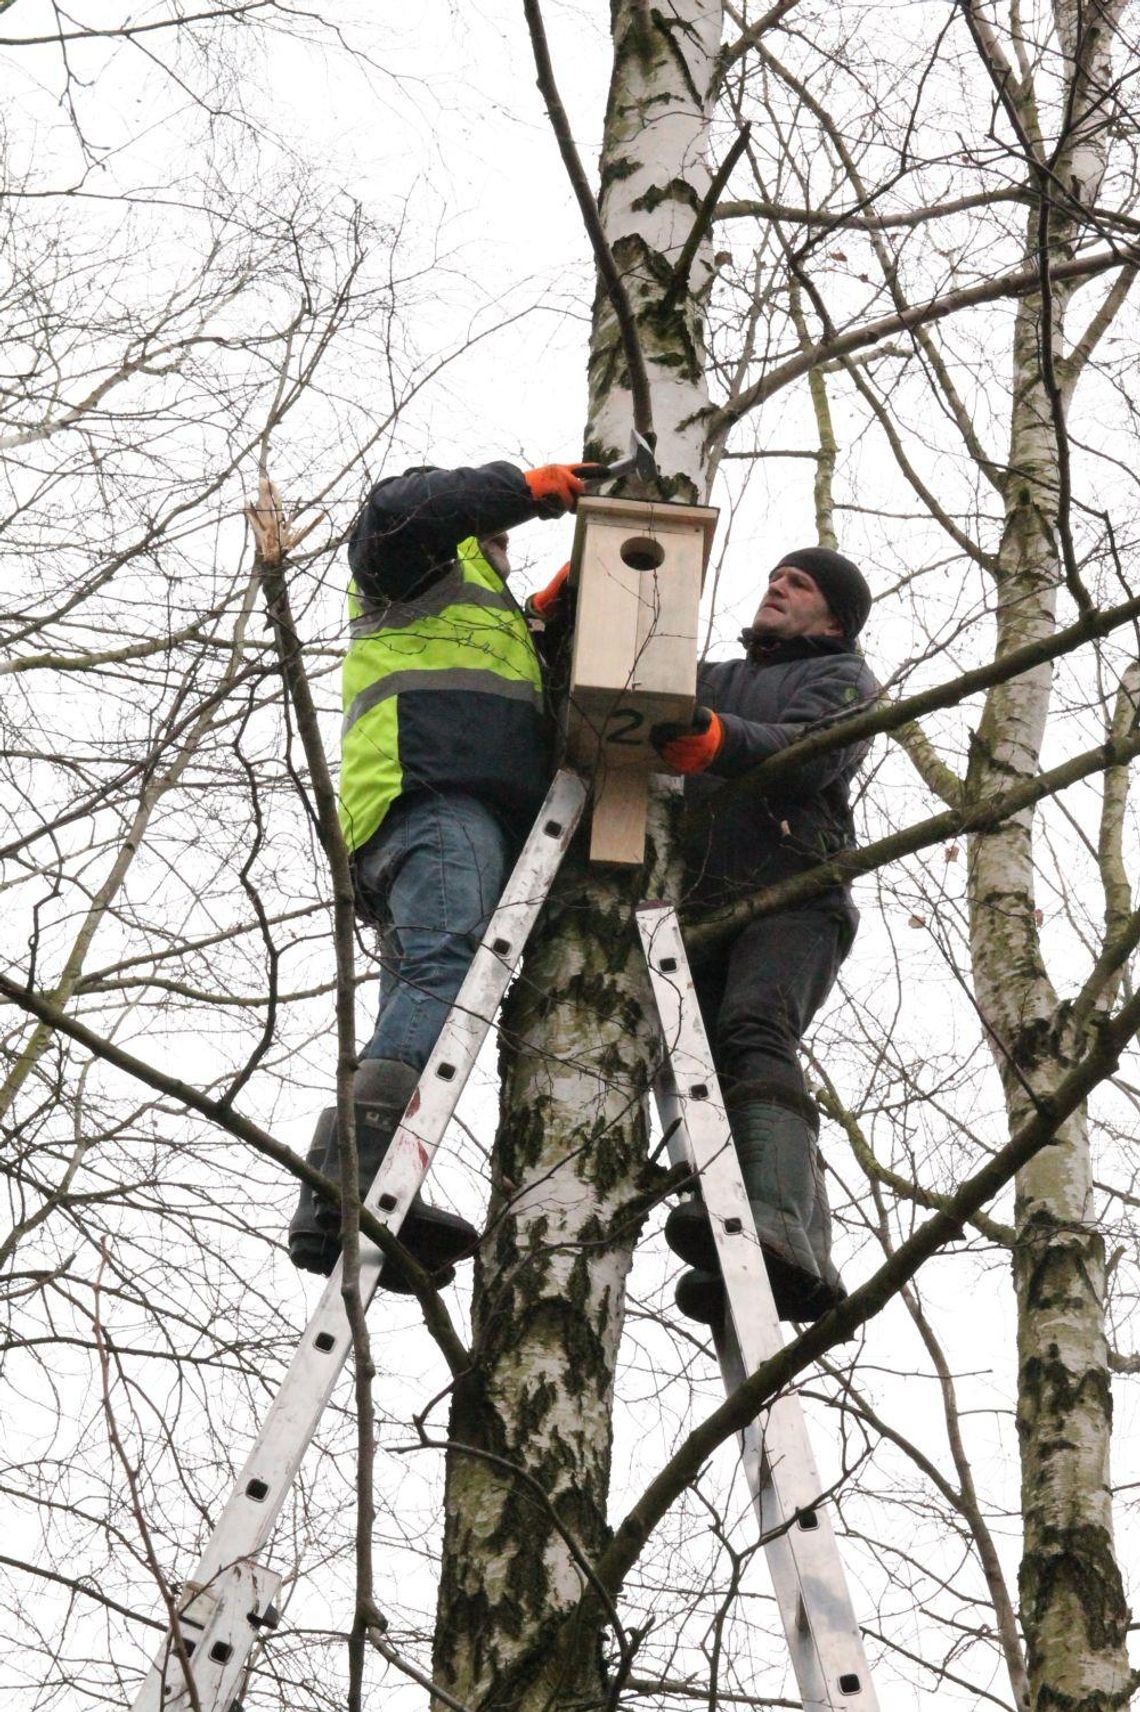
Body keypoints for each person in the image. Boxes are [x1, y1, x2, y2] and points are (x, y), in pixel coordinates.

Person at [288, 458, 588, 1288]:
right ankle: (354, 1178)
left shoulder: (492, 612)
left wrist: (551, 617)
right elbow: (402, 509)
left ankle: (360, 1192)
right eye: (490, 526)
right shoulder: (405, 562)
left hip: (449, 808)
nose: (503, 541)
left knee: (423, 982)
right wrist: (521, 487)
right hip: (429, 795)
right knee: (445, 969)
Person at [652, 547, 876, 1324]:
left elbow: (810, 755)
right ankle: (784, 1252)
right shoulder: (714, 678)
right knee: (700, 1066)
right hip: (705, 913)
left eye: (800, 583)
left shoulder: (842, 677)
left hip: (793, 892)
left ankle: (777, 1222)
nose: (777, 585)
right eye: (774, 575)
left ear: (835, 618)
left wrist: (719, 743)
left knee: (755, 1025)